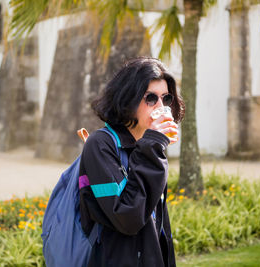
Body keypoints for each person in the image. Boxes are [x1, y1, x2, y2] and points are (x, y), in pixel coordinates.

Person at [79, 57, 185, 267]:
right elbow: (127, 217)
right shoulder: (100, 144)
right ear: (129, 98)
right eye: (150, 98)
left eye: (165, 98)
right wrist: (152, 147)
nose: (160, 107)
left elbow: (155, 222)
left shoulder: (146, 144)